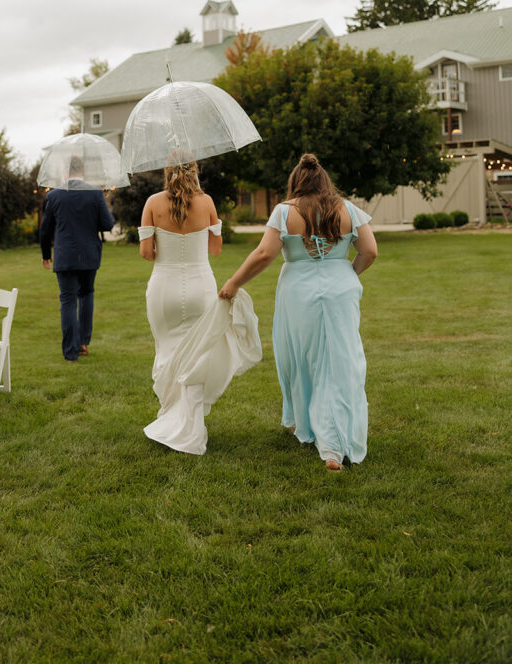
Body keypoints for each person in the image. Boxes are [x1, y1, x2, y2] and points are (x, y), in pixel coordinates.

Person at [218, 153, 378, 471]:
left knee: (298, 357)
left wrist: (234, 282)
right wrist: (347, 273)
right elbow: (369, 251)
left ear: (295, 181)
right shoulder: (349, 209)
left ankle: (314, 434)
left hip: (298, 292)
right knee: (339, 361)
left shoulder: (284, 212)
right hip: (341, 291)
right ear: (324, 181)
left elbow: (265, 253)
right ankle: (332, 443)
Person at [139, 161, 261, 455]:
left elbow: (146, 253)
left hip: (163, 289)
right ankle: (190, 428)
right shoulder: (206, 202)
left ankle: (172, 419)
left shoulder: (153, 203)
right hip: (200, 287)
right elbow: (216, 249)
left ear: (166, 173)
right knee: (196, 356)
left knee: (167, 351)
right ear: (195, 173)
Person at [40, 156, 115, 362]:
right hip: (89, 254)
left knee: (67, 300)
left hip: (65, 255)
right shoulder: (95, 193)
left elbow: (45, 230)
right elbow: (108, 224)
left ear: (66, 170)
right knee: (86, 294)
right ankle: (83, 342)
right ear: (82, 170)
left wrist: (46, 255)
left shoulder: (54, 195)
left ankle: (70, 351)